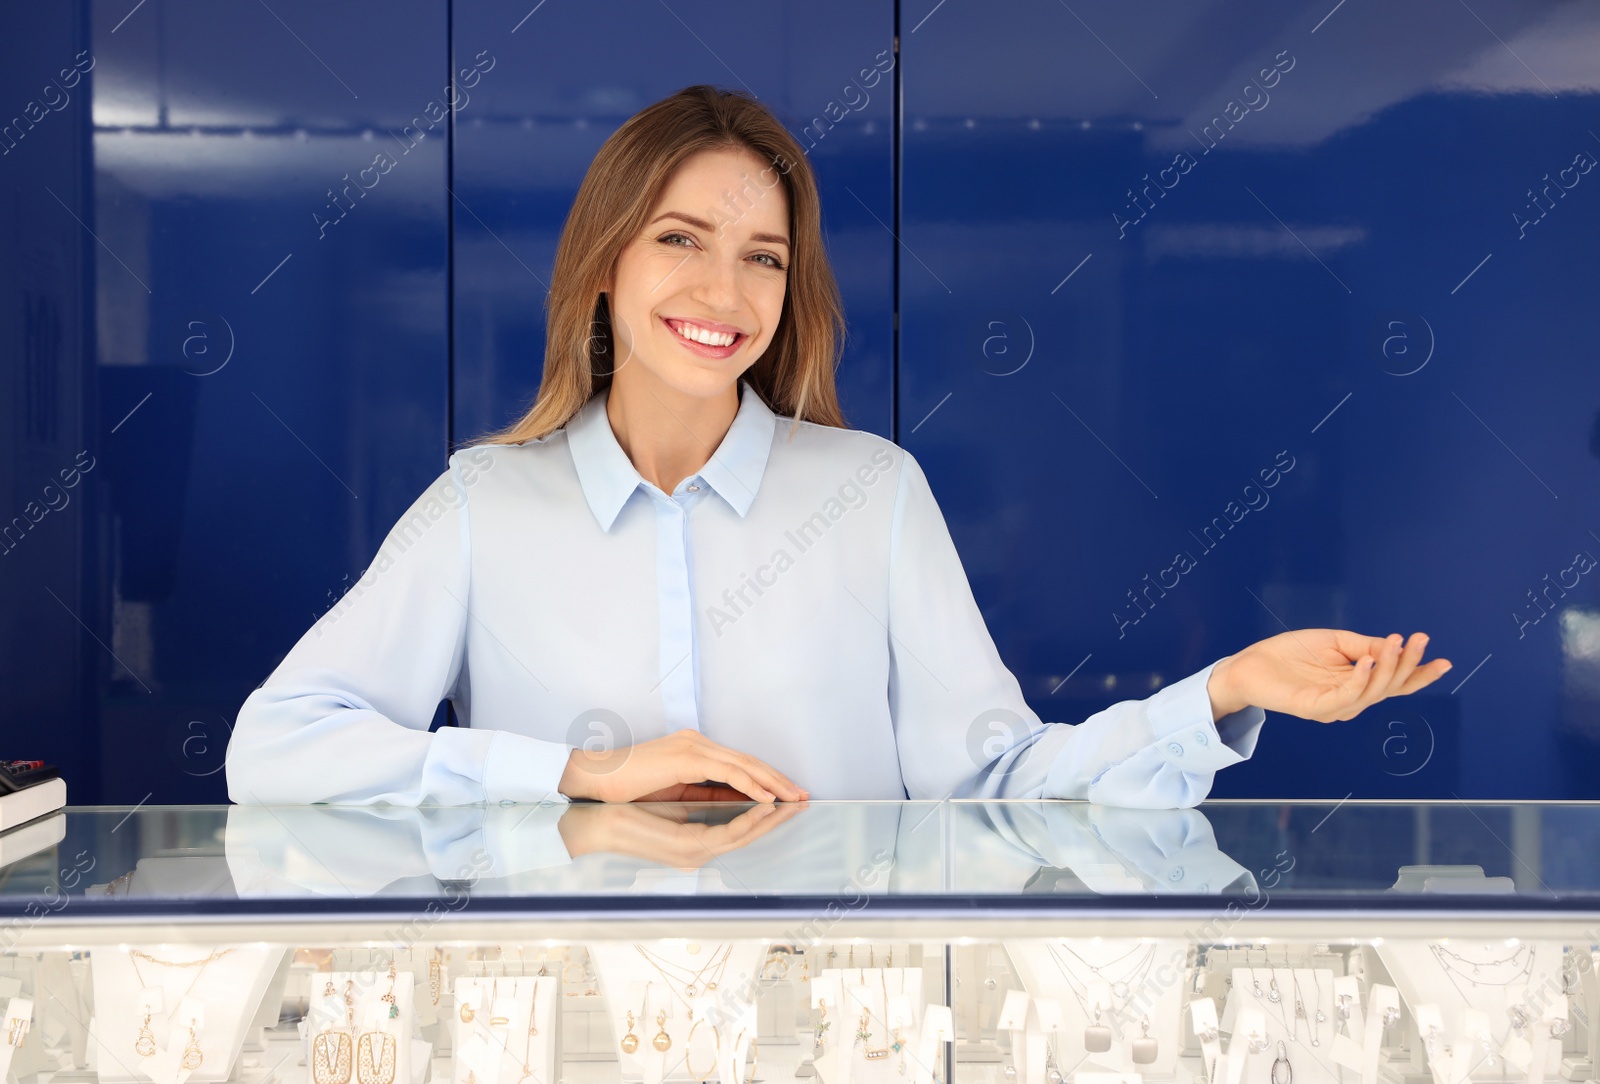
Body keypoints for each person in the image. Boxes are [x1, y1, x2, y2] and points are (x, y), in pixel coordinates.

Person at [223, 85, 1451, 809]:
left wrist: (1223, 690)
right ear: (604, 266)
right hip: (566, 1012)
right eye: (680, 240)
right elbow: (272, 746)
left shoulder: (871, 495)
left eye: (762, 256)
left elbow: (997, 784)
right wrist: (571, 780)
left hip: (836, 1016)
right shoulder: (485, 504)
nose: (724, 288)